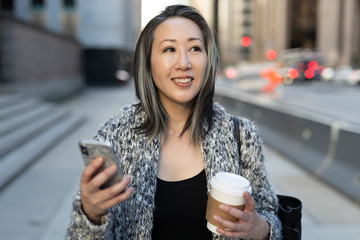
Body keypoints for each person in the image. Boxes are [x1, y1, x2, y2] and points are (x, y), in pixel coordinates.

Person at [66, 4, 282, 240]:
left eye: (195, 48)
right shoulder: (113, 136)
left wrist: (260, 228)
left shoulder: (242, 135)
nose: (184, 63)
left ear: (208, 59)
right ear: (148, 62)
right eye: (169, 49)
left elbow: (269, 214)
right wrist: (91, 214)